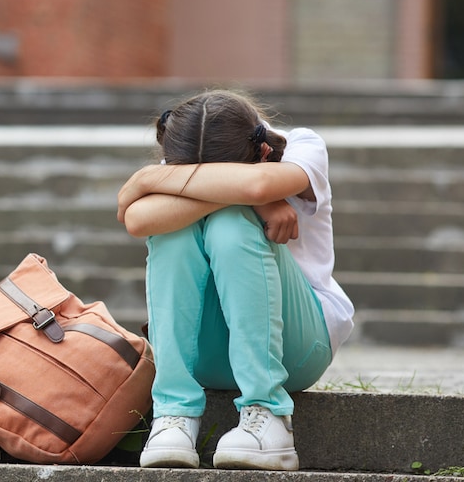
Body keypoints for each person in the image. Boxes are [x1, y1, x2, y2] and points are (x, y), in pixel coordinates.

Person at [116, 90, 355, 471]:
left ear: (262, 155)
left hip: (298, 347)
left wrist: (151, 179)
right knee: (171, 232)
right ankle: (173, 415)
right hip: (209, 354)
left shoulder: (302, 147)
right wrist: (247, 195)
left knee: (230, 222)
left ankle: (269, 414)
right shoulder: (189, 152)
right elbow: (138, 220)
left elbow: (258, 187)